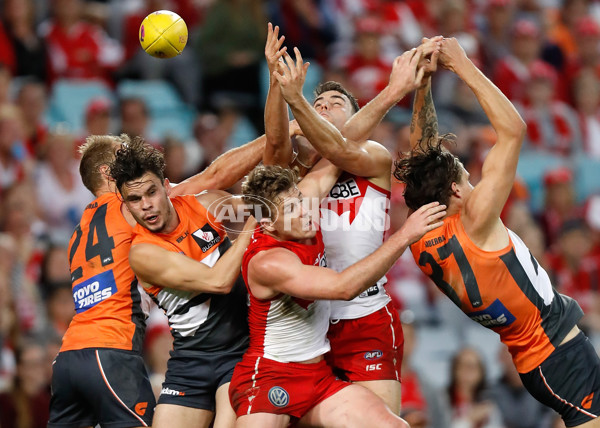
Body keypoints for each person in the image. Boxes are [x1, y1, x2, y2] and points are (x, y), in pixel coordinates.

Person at [394, 37, 600, 427]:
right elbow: (513, 129)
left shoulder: (423, 233)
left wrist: (423, 84)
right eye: (467, 178)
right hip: (556, 353)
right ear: (455, 191)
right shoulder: (475, 219)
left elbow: (423, 154)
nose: (474, 181)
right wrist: (463, 64)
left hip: (541, 357)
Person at [262, 23, 440, 413]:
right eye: (317, 103)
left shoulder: (373, 155)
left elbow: (339, 146)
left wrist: (299, 102)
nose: (322, 106)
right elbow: (274, 145)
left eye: (334, 104)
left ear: (359, 118)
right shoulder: (296, 173)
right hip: (306, 322)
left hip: (364, 317)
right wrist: (279, 85)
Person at [49, 133, 266, 428]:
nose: (130, 160)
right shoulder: (128, 207)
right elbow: (214, 175)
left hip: (68, 356)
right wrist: (273, 139)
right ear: (108, 173)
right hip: (112, 349)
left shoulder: (80, 230)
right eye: (122, 154)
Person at [229, 163, 445, 427]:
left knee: (394, 425)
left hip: (316, 377)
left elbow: (338, 152)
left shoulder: (300, 215)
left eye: (299, 200)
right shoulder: (268, 262)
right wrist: (404, 236)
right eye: (290, 209)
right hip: (270, 377)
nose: (306, 211)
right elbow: (343, 287)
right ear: (268, 224)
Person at [109, 137, 257, 428]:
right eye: (135, 200)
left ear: (166, 186)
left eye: (151, 192)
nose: (147, 206)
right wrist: (251, 229)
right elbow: (219, 282)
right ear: (126, 205)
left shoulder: (206, 205)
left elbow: (262, 206)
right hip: (189, 362)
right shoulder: (143, 253)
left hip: (239, 352)